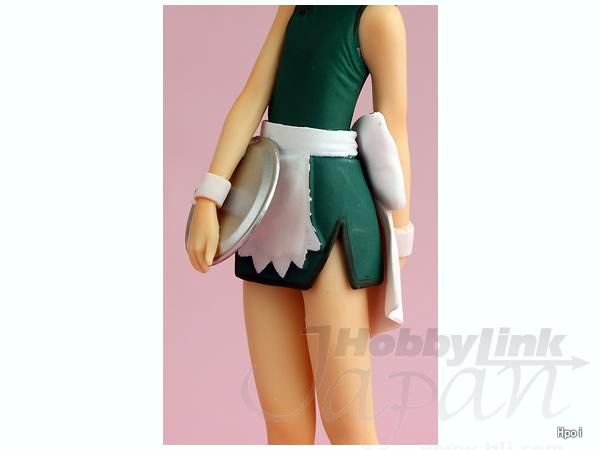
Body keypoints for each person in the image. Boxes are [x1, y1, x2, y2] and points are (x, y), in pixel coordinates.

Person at [186, 5, 412, 445]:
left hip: (334, 215)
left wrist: (400, 239)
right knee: (284, 420)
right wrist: (209, 195)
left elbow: (394, 129)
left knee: (347, 422)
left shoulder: (377, 16)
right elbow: (254, 96)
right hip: (265, 209)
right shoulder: (293, 7)